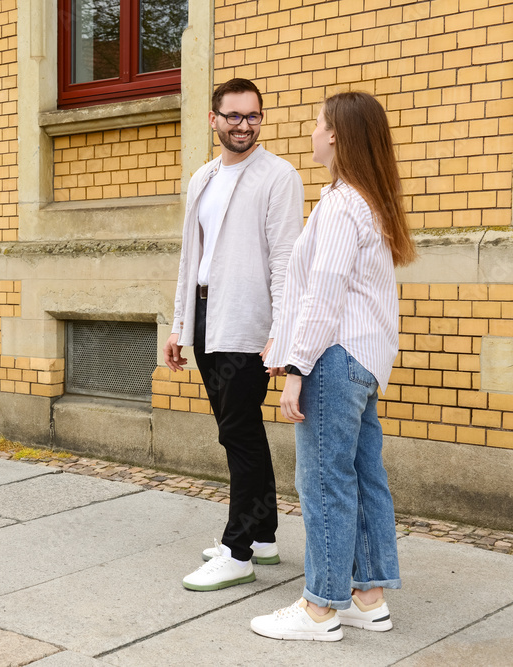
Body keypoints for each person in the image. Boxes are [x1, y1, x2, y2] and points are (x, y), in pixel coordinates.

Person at [251, 91, 416, 641]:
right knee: (363, 476)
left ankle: (321, 607)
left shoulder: (344, 204)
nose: (311, 128)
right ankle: (367, 597)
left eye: (318, 122)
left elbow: (324, 296)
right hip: (363, 360)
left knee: (323, 480)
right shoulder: (364, 200)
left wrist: (297, 366)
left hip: (335, 358)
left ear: (337, 136)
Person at [164, 78, 304, 591]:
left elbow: (287, 261)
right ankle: (262, 534)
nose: (244, 125)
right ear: (214, 119)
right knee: (237, 430)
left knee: (239, 432)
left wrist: (281, 334)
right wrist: (179, 324)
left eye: (253, 116)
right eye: (234, 116)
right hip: (206, 318)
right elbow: (189, 260)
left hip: (249, 326)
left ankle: (237, 548)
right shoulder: (202, 178)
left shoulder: (278, 176)